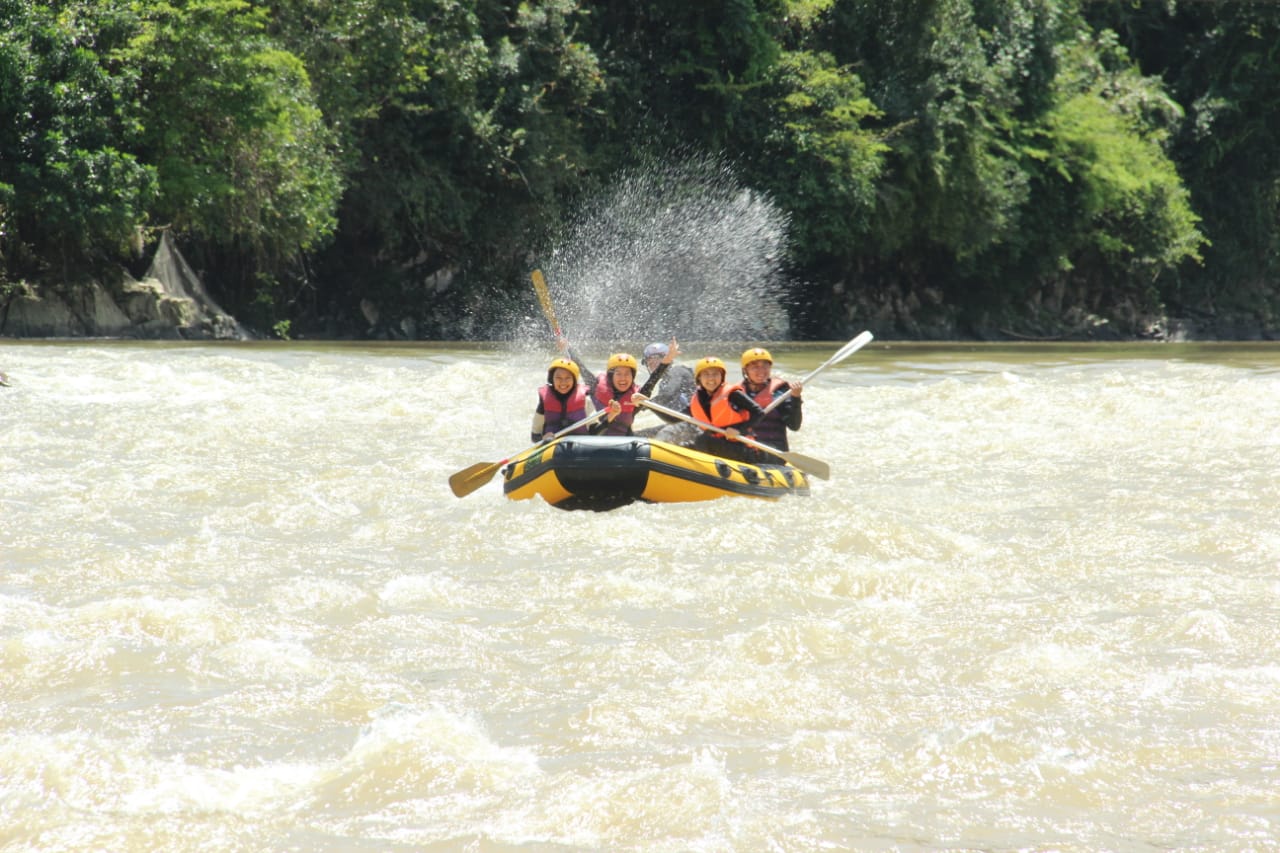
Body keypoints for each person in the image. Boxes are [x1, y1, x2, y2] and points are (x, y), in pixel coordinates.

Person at [654, 355, 767, 462]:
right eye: (706, 374)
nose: (711, 378)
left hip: (741, 447)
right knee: (685, 447)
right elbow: (672, 419)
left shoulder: (733, 394)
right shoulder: (697, 401)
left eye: (715, 374)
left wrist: (740, 430)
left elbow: (758, 412)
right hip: (718, 444)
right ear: (699, 378)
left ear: (721, 376)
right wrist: (649, 405)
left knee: (702, 439)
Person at [530, 357, 619, 443]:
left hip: (579, 449)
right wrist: (543, 438)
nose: (563, 382)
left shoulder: (585, 400)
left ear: (574, 380)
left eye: (568, 378)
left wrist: (611, 415)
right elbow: (534, 436)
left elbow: (594, 431)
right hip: (552, 447)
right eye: (558, 378)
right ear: (552, 379)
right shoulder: (544, 401)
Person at [737, 347, 803, 453]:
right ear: (745, 370)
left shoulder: (780, 392)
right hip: (744, 447)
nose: (761, 371)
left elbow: (794, 426)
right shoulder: (736, 393)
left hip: (773, 449)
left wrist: (796, 398)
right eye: (755, 367)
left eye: (765, 366)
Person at [641, 341, 695, 411]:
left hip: (696, 418)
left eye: (657, 361)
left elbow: (668, 394)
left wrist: (644, 405)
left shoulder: (677, 371)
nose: (654, 366)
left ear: (668, 360)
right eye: (651, 363)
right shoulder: (663, 383)